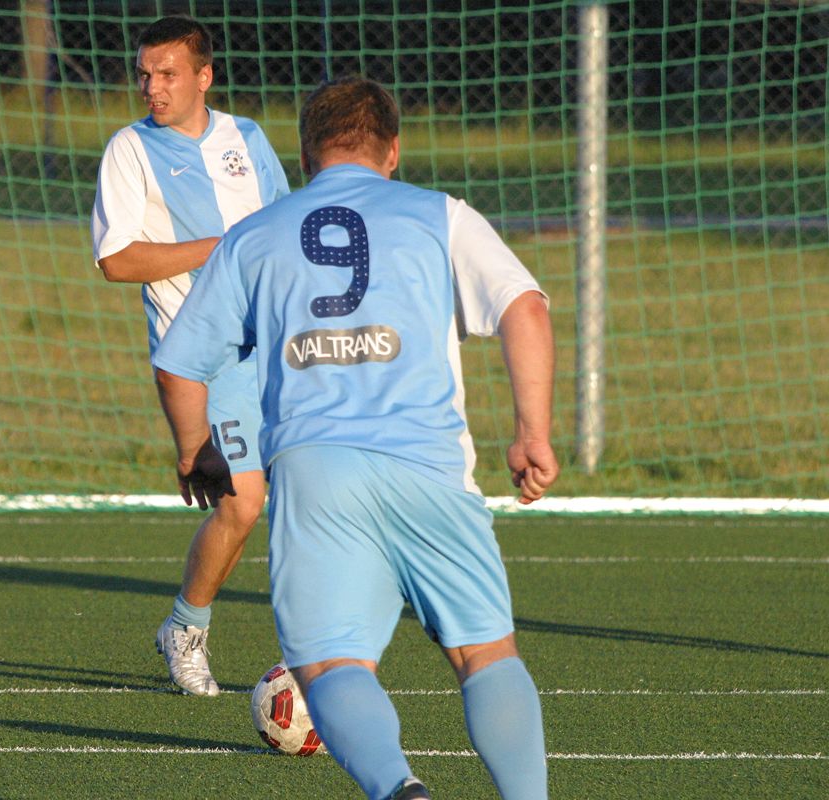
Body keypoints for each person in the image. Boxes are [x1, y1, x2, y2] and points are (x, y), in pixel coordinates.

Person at [152, 77, 558, 800]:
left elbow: (179, 364)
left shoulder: (255, 235)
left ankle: (399, 789)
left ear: (306, 156)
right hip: (430, 463)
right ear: (392, 152)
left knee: (330, 664)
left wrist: (196, 449)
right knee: (485, 653)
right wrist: (533, 434)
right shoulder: (443, 215)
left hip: (316, 473)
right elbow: (525, 307)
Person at [90, 16, 289, 696]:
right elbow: (117, 261)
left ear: (204, 76)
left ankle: (324, 651)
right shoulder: (130, 149)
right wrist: (220, 249)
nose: (153, 87)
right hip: (204, 354)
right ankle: (186, 627)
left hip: (278, 344)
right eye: (145, 74)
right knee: (242, 503)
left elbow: (282, 229)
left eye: (168, 74)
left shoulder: (248, 137)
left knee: (321, 494)